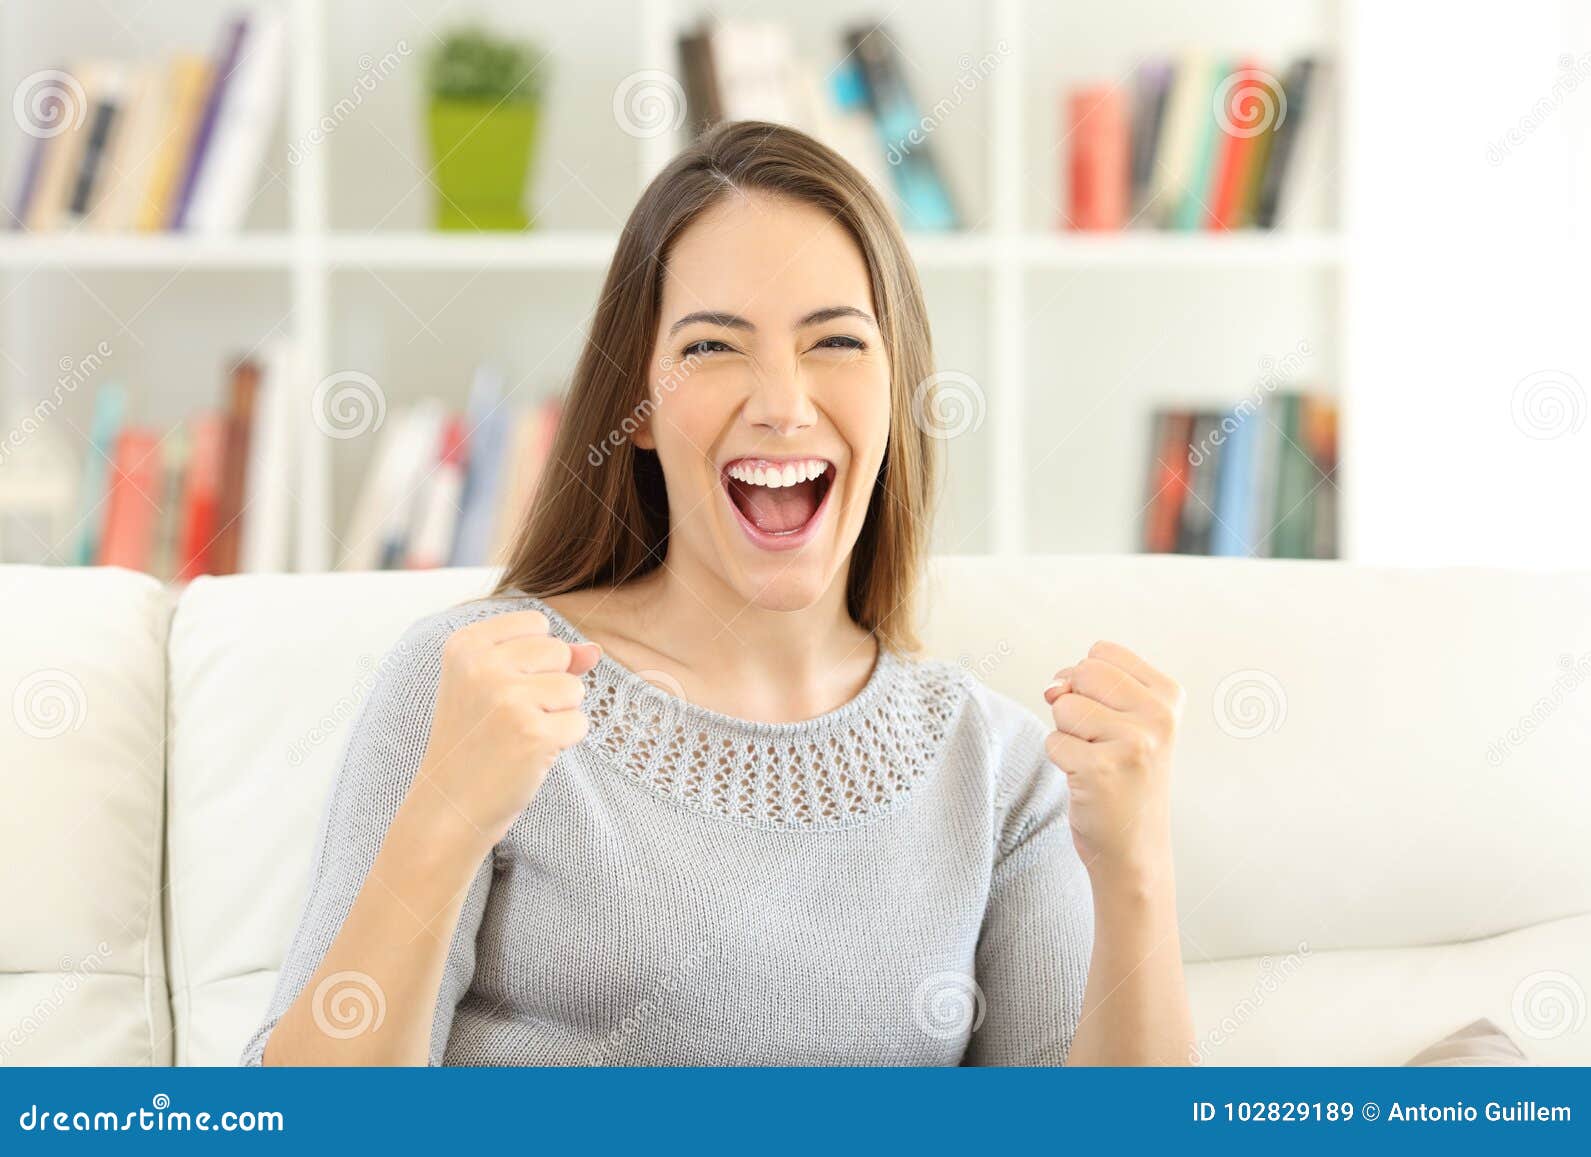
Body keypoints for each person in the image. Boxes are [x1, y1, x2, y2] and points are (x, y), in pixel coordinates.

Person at [242, 121, 1192, 1066]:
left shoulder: (1000, 774)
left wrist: (1136, 871)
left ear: (898, 394)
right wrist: (443, 819)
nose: (781, 404)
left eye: (836, 342)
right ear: (637, 409)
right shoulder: (481, 690)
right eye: (711, 348)